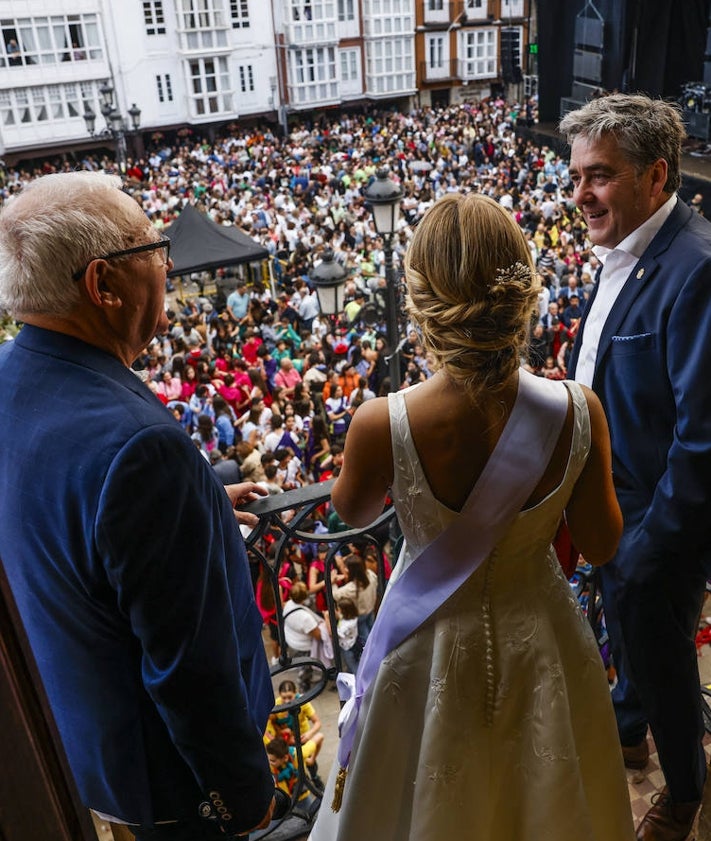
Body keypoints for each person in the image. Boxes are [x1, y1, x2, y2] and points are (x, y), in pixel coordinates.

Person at [309, 192, 634, 841]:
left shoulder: (382, 420)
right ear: (521, 290)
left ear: (423, 300)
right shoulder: (577, 410)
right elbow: (599, 544)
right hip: (539, 639)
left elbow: (349, 509)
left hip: (424, 646)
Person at [0, 172, 276, 840]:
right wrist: (240, 798)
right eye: (152, 246)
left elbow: (68, 510)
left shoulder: (11, 377)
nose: (167, 260)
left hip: (84, 750)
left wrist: (200, 501)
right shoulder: (143, 450)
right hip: (172, 790)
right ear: (104, 285)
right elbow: (189, 671)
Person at [560, 93, 711, 841]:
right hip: (611, 512)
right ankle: (626, 727)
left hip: (654, 525)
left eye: (599, 175)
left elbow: (703, 439)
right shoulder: (628, 250)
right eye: (576, 175)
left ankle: (684, 792)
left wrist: (646, 547)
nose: (579, 193)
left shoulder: (696, 268)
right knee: (629, 640)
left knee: (665, 662)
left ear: (656, 176)